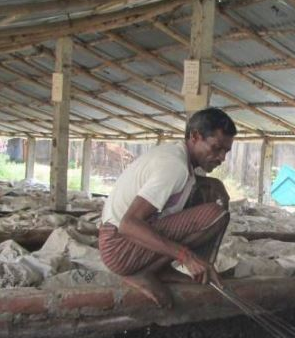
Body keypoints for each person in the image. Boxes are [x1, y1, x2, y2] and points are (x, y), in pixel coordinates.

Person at [98, 107, 236, 308]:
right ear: (195, 137)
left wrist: (216, 184)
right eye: (216, 148)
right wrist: (185, 256)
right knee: (215, 214)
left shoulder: (175, 156)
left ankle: (161, 269)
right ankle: (141, 272)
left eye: (226, 151)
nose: (222, 158)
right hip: (119, 249)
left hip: (116, 244)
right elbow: (128, 224)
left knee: (205, 192)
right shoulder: (175, 166)